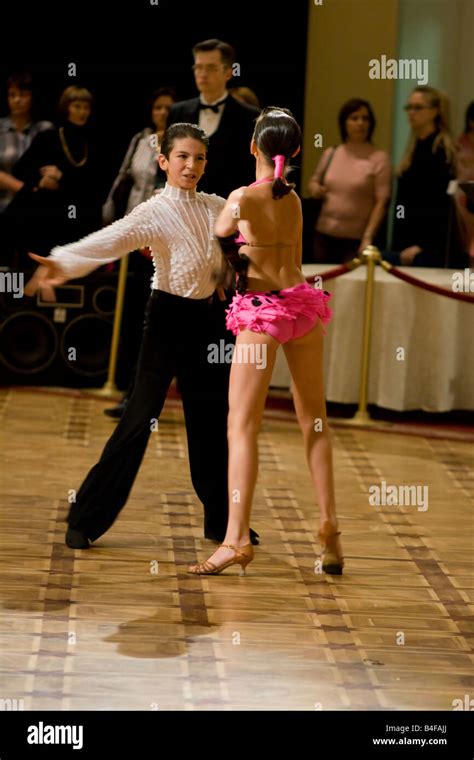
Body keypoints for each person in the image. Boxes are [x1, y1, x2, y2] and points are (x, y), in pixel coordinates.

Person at [23, 122, 259, 549]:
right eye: (183, 157)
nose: (191, 165)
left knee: (209, 422)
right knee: (138, 420)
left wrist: (229, 270)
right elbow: (111, 240)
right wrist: (63, 261)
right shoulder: (154, 210)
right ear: (164, 161)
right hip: (167, 320)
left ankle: (222, 521)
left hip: (207, 322)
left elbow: (243, 239)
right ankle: (86, 517)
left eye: (199, 157)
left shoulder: (215, 205)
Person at [188, 108, 343, 577]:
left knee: (242, 425)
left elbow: (216, 237)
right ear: (294, 152)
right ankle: (329, 530)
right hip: (303, 310)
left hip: (261, 316)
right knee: (314, 422)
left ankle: (236, 538)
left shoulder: (244, 197)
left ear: (253, 147)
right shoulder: (291, 198)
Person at [102, 86, 176, 419]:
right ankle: (129, 392)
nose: (162, 112)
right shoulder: (140, 140)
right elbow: (122, 182)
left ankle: (145, 398)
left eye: (169, 108)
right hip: (134, 237)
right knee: (132, 318)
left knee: (156, 322)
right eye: (158, 107)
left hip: (163, 243)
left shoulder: (182, 144)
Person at [8, 86, 106, 266]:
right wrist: (41, 181)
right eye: (77, 106)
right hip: (44, 220)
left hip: (78, 223)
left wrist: (63, 177)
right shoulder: (48, 137)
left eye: (86, 107)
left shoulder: (93, 142)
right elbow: (20, 169)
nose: (82, 112)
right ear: (66, 107)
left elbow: (96, 185)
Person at [166, 38, 260, 198]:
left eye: (211, 68)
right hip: (182, 205)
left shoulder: (250, 116)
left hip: (228, 206)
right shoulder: (178, 111)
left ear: (228, 72)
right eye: (198, 67)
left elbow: (250, 170)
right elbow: (167, 160)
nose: (202, 74)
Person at [308, 98, 391, 263]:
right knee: (321, 284)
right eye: (354, 118)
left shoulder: (379, 158)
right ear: (344, 122)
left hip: (355, 241)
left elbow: (382, 201)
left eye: (365, 119)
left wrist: (368, 237)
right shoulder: (332, 152)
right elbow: (313, 181)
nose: (360, 123)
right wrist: (315, 188)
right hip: (323, 235)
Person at [389, 86, 457, 267]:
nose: (411, 113)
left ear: (435, 111)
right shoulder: (414, 146)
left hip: (427, 248)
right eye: (408, 107)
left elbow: (440, 205)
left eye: (418, 108)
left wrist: (423, 245)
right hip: (404, 242)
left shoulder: (441, 150)